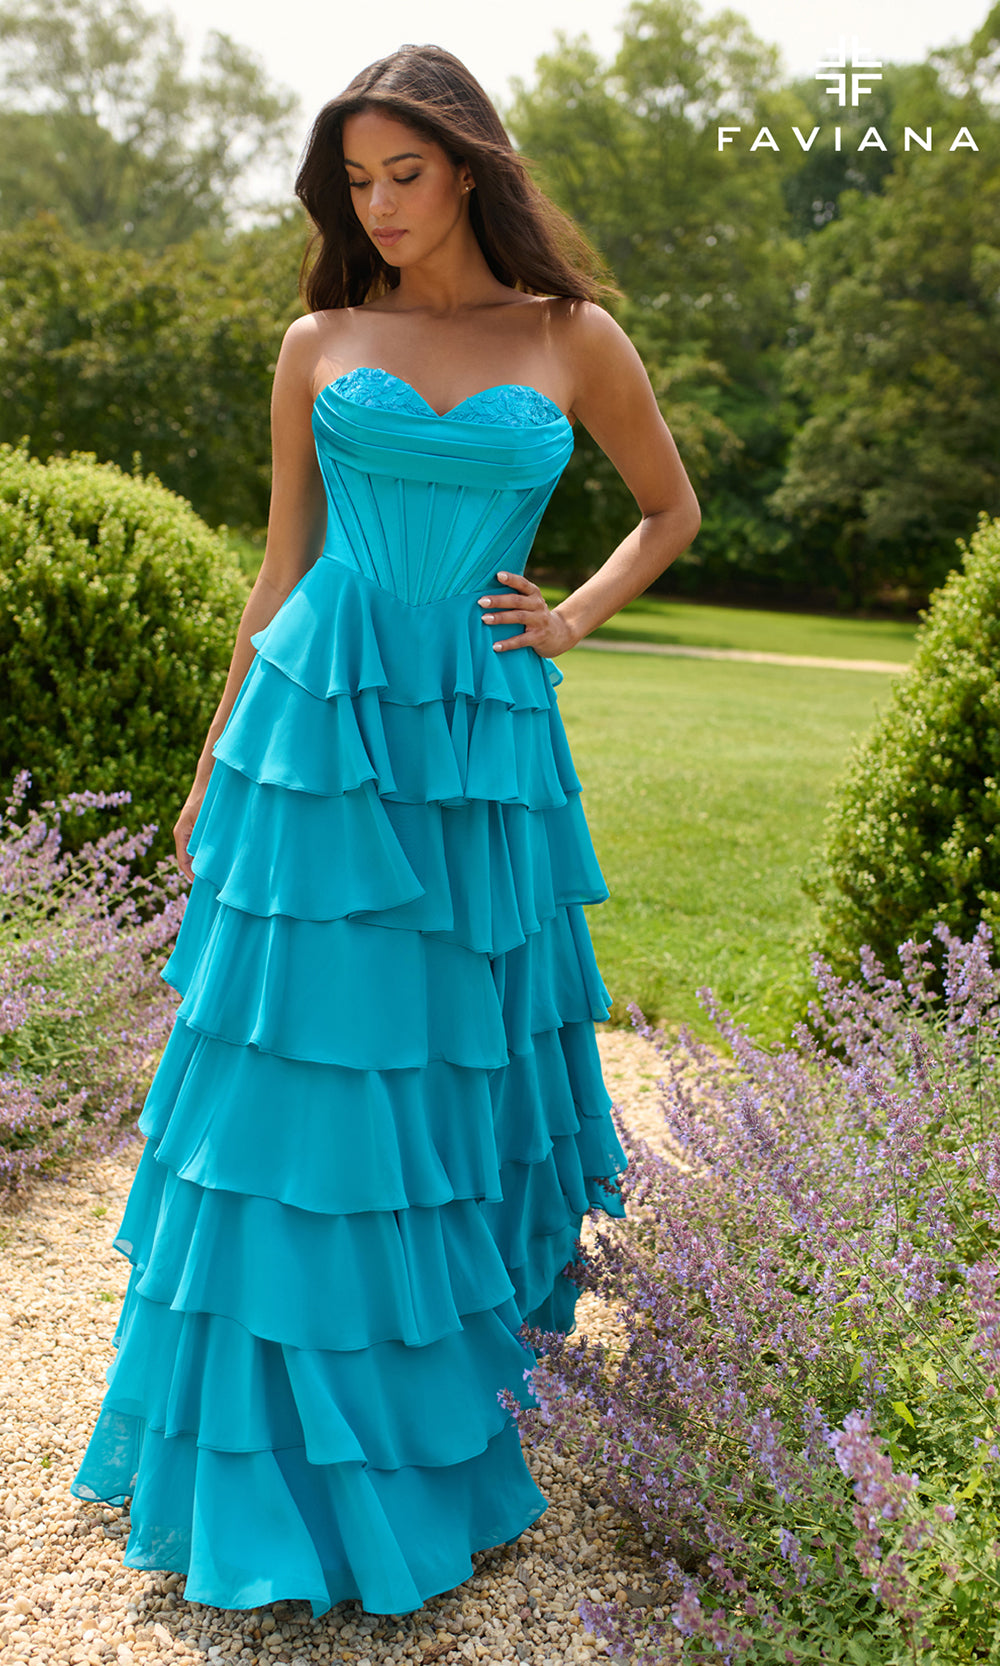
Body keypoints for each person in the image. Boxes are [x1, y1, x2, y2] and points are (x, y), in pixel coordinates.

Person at [70, 42, 701, 1621]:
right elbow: (282, 566)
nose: (378, 204)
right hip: (326, 731)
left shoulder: (572, 335)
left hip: (481, 737)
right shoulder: (316, 339)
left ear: (470, 168)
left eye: (401, 173)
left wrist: (574, 618)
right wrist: (220, 760)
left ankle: (451, 1409)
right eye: (355, 180)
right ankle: (270, 1461)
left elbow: (669, 509)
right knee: (308, 1088)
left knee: (461, 1067)